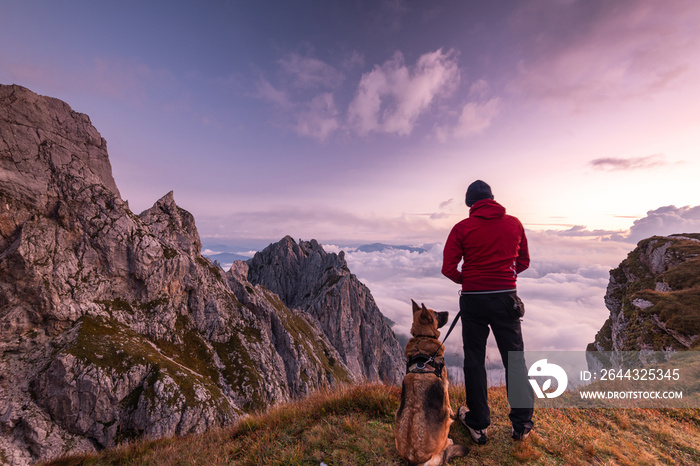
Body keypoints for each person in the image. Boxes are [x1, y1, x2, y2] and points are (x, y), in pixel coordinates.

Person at [441, 179, 534, 444]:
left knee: (474, 360)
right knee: (514, 359)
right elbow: (523, 261)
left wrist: (469, 281)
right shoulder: (514, 224)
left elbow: (448, 268)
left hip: (474, 301)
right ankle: (522, 424)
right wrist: (505, 278)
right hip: (506, 299)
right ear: (493, 198)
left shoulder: (462, 228)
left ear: (470, 203)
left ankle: (478, 423)